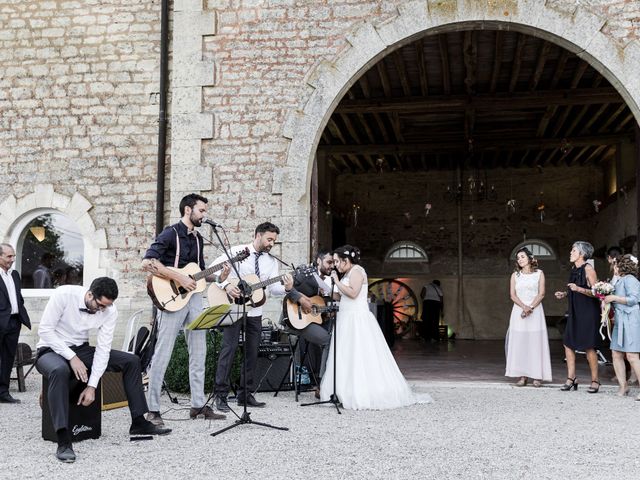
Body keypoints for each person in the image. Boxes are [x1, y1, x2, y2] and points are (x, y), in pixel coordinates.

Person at [35, 277, 171, 463]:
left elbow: (103, 349)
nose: (102, 310)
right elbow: (45, 331)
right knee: (60, 371)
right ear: (90, 294)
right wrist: (71, 357)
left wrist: (92, 385)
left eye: (106, 307)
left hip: (81, 349)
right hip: (50, 349)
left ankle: (139, 422)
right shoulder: (63, 294)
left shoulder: (109, 310)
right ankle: (63, 439)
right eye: (99, 306)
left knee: (131, 360)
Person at [141, 193, 229, 425]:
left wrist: (219, 276)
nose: (204, 215)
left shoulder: (199, 239)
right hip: (171, 297)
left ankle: (198, 405)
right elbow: (147, 262)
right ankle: (153, 409)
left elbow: (198, 276)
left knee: (199, 352)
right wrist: (178, 276)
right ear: (188, 210)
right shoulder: (170, 233)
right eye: (202, 210)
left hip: (194, 299)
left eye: (205, 211)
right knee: (163, 352)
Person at [320, 245, 431, 410]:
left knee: (359, 354)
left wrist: (336, 281)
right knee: (345, 354)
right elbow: (341, 295)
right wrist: (328, 290)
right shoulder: (347, 274)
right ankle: (343, 391)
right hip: (346, 317)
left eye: (337, 261)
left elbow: (353, 293)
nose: (335, 264)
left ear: (346, 259)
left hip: (356, 319)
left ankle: (361, 393)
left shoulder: (357, 271)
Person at [212, 222, 292, 412]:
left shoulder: (271, 261)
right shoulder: (238, 251)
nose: (271, 243)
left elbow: (273, 288)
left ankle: (245, 394)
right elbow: (213, 268)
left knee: (252, 353)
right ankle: (220, 395)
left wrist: (287, 288)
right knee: (228, 350)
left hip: (255, 311)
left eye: (274, 240)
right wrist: (226, 285)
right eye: (269, 239)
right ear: (257, 235)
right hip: (233, 309)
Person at [282, 249, 334, 394]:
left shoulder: (332, 280)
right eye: (329, 262)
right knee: (328, 341)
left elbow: (321, 306)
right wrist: (300, 298)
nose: (331, 266)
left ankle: (332, 381)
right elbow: (284, 289)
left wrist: (327, 312)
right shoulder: (304, 273)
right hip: (296, 319)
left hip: (315, 320)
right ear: (318, 260)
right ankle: (322, 384)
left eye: (333, 263)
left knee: (336, 337)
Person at [554, 241, 602, 393]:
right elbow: (573, 288)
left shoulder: (589, 269)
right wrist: (565, 293)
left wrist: (578, 289)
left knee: (589, 346)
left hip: (588, 312)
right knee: (568, 343)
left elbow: (597, 293)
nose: (570, 253)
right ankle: (571, 378)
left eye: (573, 250)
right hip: (574, 311)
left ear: (581, 254)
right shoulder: (574, 269)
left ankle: (595, 380)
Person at [504, 247, 552, 387]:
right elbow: (513, 295)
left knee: (535, 342)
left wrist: (530, 307)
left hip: (535, 311)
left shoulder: (539, 273)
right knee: (520, 342)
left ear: (530, 259)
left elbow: (541, 293)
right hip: (519, 312)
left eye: (522, 257)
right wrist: (523, 307)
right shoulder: (515, 275)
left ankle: (537, 375)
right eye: (518, 258)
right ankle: (522, 375)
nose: (520, 260)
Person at [603, 254, 640, 399]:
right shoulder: (619, 280)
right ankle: (623, 386)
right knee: (616, 353)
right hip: (620, 320)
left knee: (632, 355)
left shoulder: (630, 280)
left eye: (615, 265)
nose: (614, 267)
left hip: (631, 320)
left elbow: (634, 299)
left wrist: (614, 298)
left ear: (622, 266)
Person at [0, 244, 31, 404]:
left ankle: (3, 393)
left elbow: (18, 296)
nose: (12, 259)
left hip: (14, 322)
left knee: (8, 358)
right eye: (9, 256)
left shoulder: (15, 275)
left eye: (13, 256)